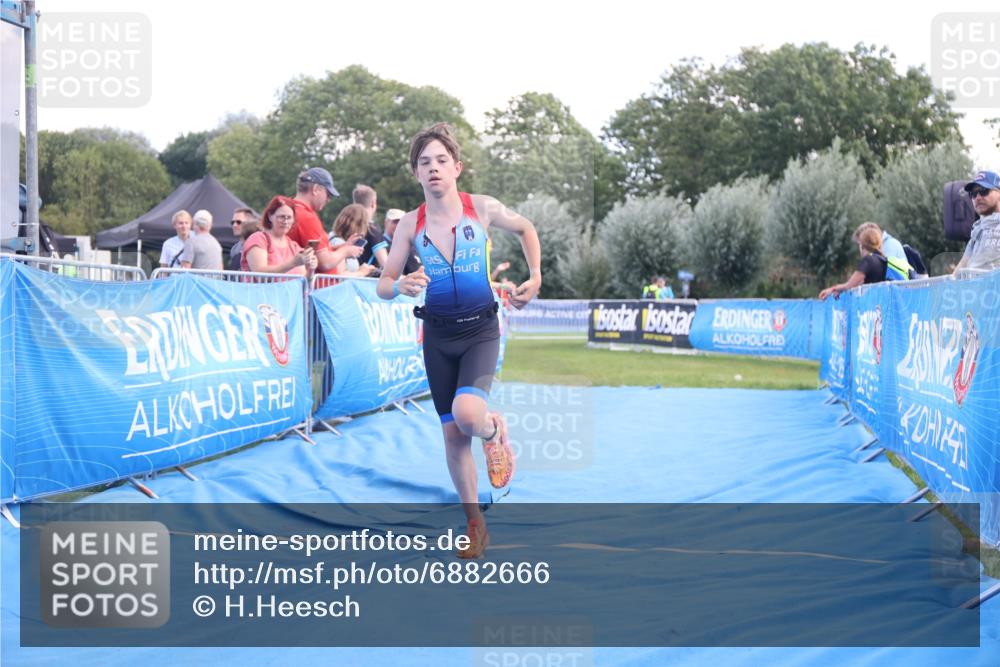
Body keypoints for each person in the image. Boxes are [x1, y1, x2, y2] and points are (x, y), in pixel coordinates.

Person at [376, 122, 542, 559]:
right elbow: (384, 282)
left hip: (480, 329)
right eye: (424, 163)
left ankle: (493, 431)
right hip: (438, 335)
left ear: (457, 168)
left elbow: (526, 229)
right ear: (416, 173)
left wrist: (536, 276)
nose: (433, 169)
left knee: (468, 415)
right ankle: (475, 525)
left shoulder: (481, 208)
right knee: (452, 439)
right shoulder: (410, 224)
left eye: (441, 161)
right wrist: (401, 285)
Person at [285, 167, 364, 273]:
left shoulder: (287, 209)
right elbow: (326, 263)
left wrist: (343, 246)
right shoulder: (307, 217)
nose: (329, 199)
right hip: (318, 288)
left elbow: (318, 251)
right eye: (328, 194)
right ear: (316, 189)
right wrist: (346, 251)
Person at [819, 223, 908, 300]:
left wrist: (831, 289)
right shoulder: (883, 259)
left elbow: (849, 285)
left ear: (862, 245)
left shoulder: (868, 261)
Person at [241, 196, 316, 276]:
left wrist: (311, 270)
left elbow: (303, 281)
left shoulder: (294, 246)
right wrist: (293, 263)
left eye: (289, 217)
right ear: (270, 216)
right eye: (281, 217)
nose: (286, 221)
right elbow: (260, 275)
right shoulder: (258, 239)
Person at [954, 170, 1000, 275]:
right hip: (976, 289)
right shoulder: (977, 230)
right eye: (973, 194)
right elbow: (959, 270)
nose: (978, 198)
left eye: (984, 191)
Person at [329, 204, 377, 277]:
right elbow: (339, 275)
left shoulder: (335, 239)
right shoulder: (338, 242)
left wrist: (361, 270)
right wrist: (362, 272)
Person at [351, 184, 390, 269]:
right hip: (364, 280)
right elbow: (385, 264)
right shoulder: (372, 230)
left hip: (344, 278)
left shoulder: (346, 225)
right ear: (373, 203)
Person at [384, 207, 421, 274]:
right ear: (386, 223)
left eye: (401, 222)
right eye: (395, 222)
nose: (398, 225)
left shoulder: (412, 246)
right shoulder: (378, 244)